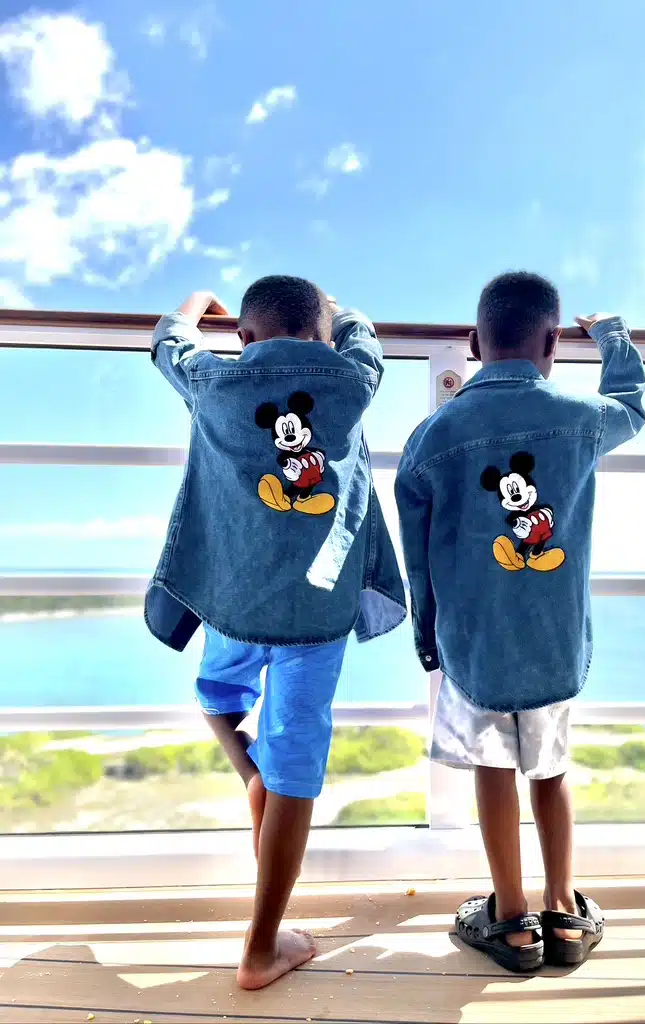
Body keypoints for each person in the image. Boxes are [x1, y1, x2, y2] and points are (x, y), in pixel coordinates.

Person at [146, 277, 406, 989]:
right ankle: (262, 945)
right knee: (293, 763)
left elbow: (168, 342)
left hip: (234, 597)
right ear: (324, 336)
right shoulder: (352, 378)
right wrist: (339, 311)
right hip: (317, 611)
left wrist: (196, 302)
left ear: (244, 338)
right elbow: (365, 336)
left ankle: (252, 773)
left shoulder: (213, 380)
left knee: (217, 696)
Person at [395, 271, 645, 972]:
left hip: (474, 642)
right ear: (551, 343)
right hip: (553, 637)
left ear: (475, 345)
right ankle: (563, 912)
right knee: (550, 770)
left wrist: (427, 633)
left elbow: (417, 549)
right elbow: (630, 406)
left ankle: (511, 921)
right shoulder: (580, 417)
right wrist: (614, 338)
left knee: (491, 768)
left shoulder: (434, 434)